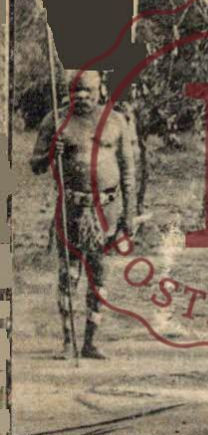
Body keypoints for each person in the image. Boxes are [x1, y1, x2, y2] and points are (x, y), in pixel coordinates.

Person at [30, 68, 138, 359]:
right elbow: (36, 165)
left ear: (100, 90)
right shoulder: (55, 120)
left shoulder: (116, 121)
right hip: (71, 210)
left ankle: (91, 340)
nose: (81, 97)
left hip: (107, 210)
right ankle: (68, 341)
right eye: (75, 91)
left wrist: (130, 213)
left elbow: (128, 171)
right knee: (69, 274)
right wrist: (53, 150)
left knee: (99, 274)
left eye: (87, 91)